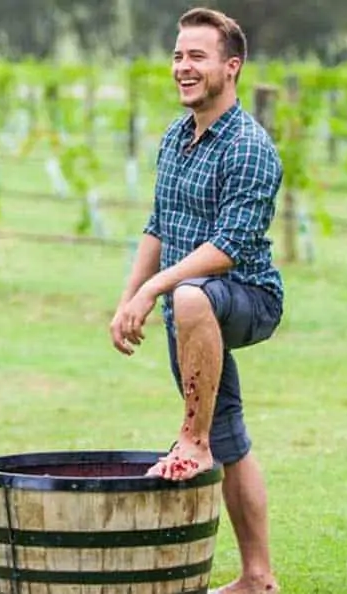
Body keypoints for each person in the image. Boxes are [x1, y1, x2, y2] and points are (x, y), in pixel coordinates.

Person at [109, 7, 283, 594]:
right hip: (187, 307)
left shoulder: (251, 147)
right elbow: (158, 226)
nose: (183, 67)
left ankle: (191, 439)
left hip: (246, 298)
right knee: (231, 433)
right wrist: (128, 297)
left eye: (197, 56)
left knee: (188, 295)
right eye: (178, 55)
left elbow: (228, 247)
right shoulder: (175, 137)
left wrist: (158, 288)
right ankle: (258, 578)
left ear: (230, 68)